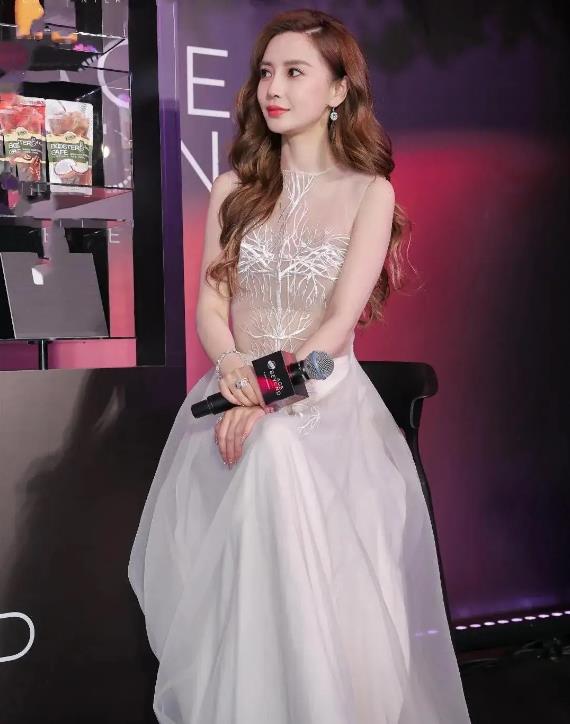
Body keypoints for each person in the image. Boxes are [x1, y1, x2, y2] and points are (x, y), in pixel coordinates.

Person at [128, 8, 472, 724]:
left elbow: (336, 328)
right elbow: (210, 308)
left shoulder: (370, 191)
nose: (273, 89)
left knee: (277, 450)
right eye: (265, 73)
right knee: (258, 449)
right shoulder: (234, 190)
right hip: (232, 392)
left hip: (320, 399)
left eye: (294, 72)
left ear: (339, 90)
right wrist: (233, 368)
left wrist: (268, 399)